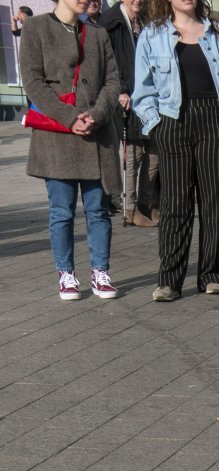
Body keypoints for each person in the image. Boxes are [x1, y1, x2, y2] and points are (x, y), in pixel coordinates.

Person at [132, 0, 219, 301]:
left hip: (214, 120)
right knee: (175, 205)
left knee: (213, 202)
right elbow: (142, 92)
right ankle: (169, 280)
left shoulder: (218, 33)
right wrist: (156, 126)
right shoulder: (151, 35)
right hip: (173, 121)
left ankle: (212, 275)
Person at [22, 0, 121, 300]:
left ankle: (100, 272)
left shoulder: (98, 33)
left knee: (98, 211)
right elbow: (33, 82)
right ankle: (66, 274)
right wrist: (69, 117)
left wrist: (98, 113)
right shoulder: (35, 28)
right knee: (62, 211)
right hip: (57, 136)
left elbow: (112, 81)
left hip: (96, 133)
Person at [97, 0, 157, 226]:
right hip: (127, 98)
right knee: (133, 154)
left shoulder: (146, 20)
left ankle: (146, 203)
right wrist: (120, 89)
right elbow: (108, 61)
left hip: (150, 96)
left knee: (154, 153)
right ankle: (130, 209)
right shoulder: (110, 23)